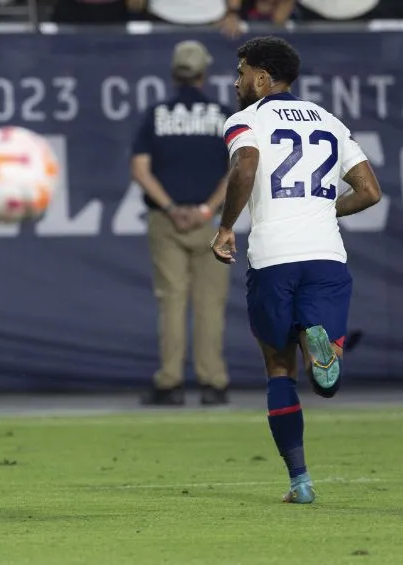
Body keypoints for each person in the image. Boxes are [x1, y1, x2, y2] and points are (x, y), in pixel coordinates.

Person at [211, 36, 382, 504]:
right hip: (327, 255)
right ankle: (322, 345)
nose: (236, 80)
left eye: (242, 71)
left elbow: (246, 166)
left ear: (262, 78)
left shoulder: (245, 120)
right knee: (323, 370)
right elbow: (369, 191)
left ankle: (300, 482)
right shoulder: (329, 120)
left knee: (277, 369)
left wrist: (226, 226)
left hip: (273, 257)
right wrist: (325, 210)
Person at [131, 40, 232, 407]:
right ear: (204, 74)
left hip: (167, 221)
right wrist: (206, 210)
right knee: (210, 304)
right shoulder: (223, 115)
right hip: (213, 224)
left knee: (171, 303)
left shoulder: (157, 114)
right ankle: (213, 383)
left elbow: (140, 169)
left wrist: (172, 207)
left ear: (174, 74)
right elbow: (237, 171)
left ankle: (170, 383)